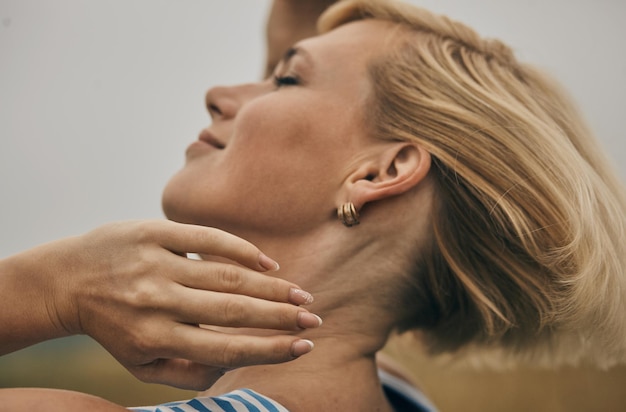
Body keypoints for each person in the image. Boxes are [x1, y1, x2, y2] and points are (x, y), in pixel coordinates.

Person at [2, 0, 626, 410]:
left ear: (383, 170)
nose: (218, 94)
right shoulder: (395, 393)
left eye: (286, 78)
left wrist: (52, 291)